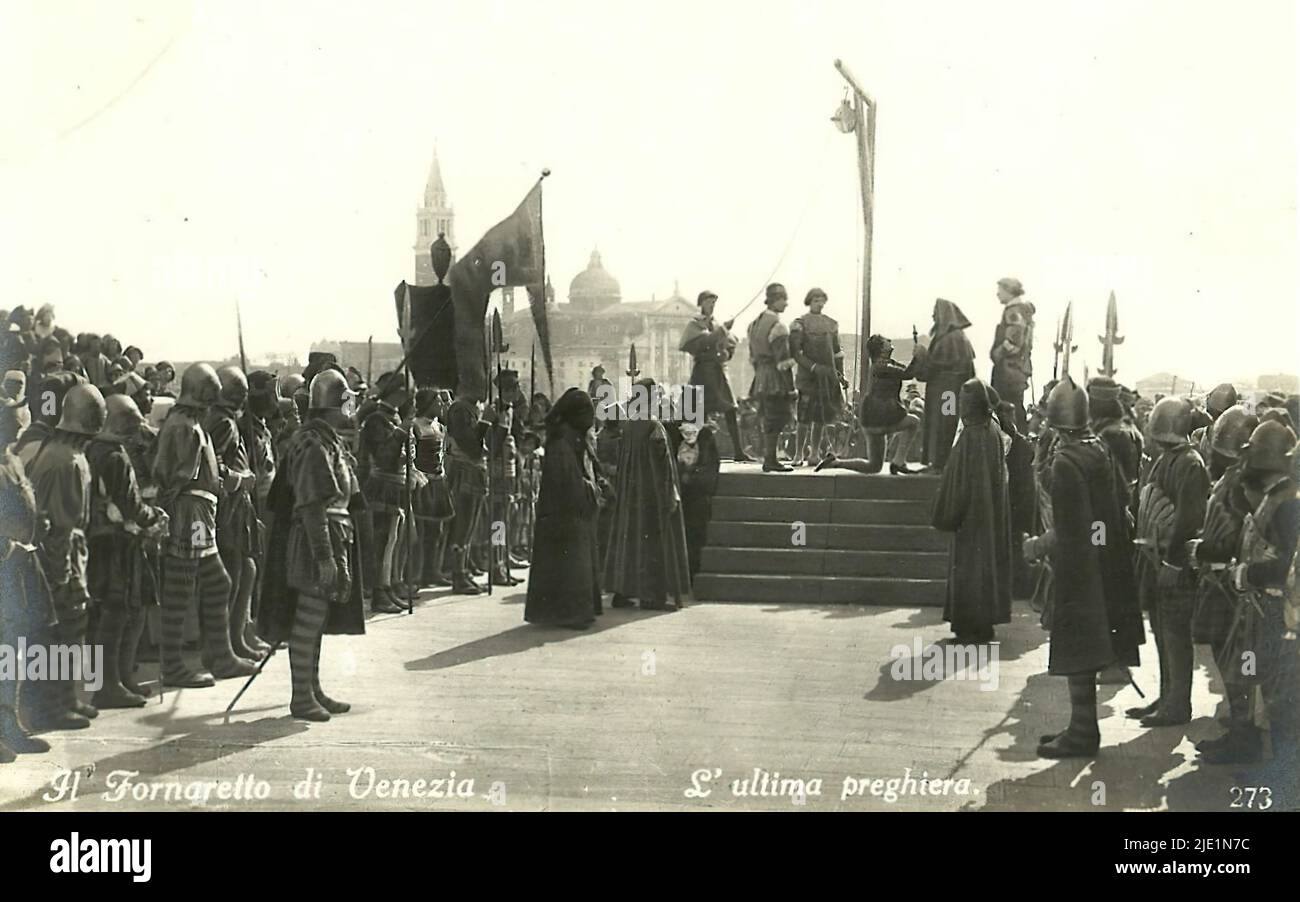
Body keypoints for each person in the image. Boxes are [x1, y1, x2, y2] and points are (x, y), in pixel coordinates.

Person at [1022, 376, 1144, 757]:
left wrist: (1036, 545)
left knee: (1078, 647)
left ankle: (1082, 732)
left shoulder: (1065, 462)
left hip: (1080, 569)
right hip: (1106, 559)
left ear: (1055, 423)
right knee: (1090, 645)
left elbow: (1069, 528)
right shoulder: (1100, 449)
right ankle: (1081, 727)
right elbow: (1115, 505)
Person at [258, 369, 366, 721]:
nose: (352, 406)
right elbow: (310, 504)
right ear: (332, 404)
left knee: (317, 620)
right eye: (347, 399)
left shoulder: (328, 439)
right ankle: (300, 697)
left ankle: (312, 688)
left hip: (333, 534)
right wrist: (324, 556)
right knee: (307, 620)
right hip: (313, 539)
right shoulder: (311, 443)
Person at [1196, 421, 1298, 767]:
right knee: (1256, 681)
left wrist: (1248, 573)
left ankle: (1283, 776)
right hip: (1258, 610)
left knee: (1276, 696)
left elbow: (1286, 565)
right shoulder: (1276, 496)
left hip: (1273, 613)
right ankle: (1245, 742)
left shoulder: (1286, 503)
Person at [153, 363, 258, 687]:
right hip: (191, 514)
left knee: (217, 583)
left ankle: (222, 656)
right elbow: (176, 477)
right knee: (184, 587)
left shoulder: (189, 421)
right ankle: (173, 665)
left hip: (201, 511)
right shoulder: (184, 425)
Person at [25, 384, 106, 730]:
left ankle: (67, 698)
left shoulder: (65, 454)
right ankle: (54, 707)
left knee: (73, 630)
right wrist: (63, 573)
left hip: (69, 550)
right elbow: (59, 525)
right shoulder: (65, 461)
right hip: (61, 555)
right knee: (61, 631)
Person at [1129, 396, 1210, 727]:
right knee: (1162, 634)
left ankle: (1178, 704)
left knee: (1175, 636)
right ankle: (1168, 696)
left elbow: (1188, 520)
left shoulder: (1190, 463)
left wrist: (1174, 565)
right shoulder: (1167, 459)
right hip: (1155, 558)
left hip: (1175, 564)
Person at [85, 395, 167, 708]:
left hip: (105, 540)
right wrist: (154, 517)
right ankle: (109, 686)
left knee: (124, 611)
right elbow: (129, 504)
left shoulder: (95, 449)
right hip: (116, 542)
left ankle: (121, 678)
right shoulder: (113, 455)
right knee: (117, 612)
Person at [1186, 407, 1259, 760]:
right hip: (1225, 582)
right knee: (1230, 657)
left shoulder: (1242, 484)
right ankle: (1241, 724)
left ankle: (1244, 735)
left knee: (1234, 659)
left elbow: (1235, 538)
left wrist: (1202, 548)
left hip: (1229, 586)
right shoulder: (1240, 477)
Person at [931, 379, 1013, 643]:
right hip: (989, 513)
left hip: (970, 516)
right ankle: (983, 624)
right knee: (984, 566)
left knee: (969, 567)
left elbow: (957, 480)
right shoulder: (992, 432)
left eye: (965, 402)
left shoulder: (971, 436)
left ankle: (968, 626)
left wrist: (947, 511)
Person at [603, 379, 692, 610]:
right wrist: (669, 493)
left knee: (629, 538)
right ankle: (652, 596)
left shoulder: (629, 425)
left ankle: (622, 591)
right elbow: (662, 465)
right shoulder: (654, 427)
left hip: (630, 493)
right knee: (653, 541)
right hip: (651, 493)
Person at [0, 392, 53, 755]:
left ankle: (9, 724)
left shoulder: (12, 459)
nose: (19, 429)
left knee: (14, 649)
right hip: (5, 561)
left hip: (16, 567)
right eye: (13, 422)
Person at [524, 388, 603, 629]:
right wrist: (592, 490)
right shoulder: (560, 443)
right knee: (570, 564)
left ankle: (574, 611)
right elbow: (569, 481)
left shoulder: (574, 438)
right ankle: (570, 614)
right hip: (564, 514)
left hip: (574, 512)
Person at [817, 335, 922, 475]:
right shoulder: (881, 366)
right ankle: (898, 462)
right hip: (879, 417)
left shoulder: (882, 364)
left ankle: (835, 463)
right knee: (913, 422)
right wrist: (917, 356)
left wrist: (916, 360)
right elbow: (908, 373)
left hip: (872, 418)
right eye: (886, 341)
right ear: (881, 349)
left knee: (874, 466)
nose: (890, 341)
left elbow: (906, 371)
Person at [357, 373, 412, 613]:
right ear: (397, 392)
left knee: (392, 541)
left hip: (396, 485)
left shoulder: (393, 416)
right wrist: (401, 433)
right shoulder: (376, 419)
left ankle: (388, 586)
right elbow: (385, 458)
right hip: (382, 486)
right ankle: (379, 592)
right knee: (381, 542)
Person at [679, 290, 752, 462]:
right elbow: (703, 343)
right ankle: (697, 453)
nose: (712, 306)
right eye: (709, 302)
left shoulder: (716, 324)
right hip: (703, 372)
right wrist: (723, 330)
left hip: (718, 371)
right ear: (701, 303)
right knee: (697, 414)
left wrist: (727, 350)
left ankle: (738, 451)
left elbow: (727, 343)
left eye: (714, 303)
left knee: (730, 409)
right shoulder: (695, 324)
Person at [915, 299, 977, 470]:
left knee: (944, 423)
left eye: (935, 311)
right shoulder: (955, 337)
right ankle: (938, 462)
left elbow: (936, 364)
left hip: (947, 392)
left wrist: (922, 355)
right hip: (946, 391)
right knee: (941, 423)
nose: (933, 315)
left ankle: (940, 463)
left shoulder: (951, 338)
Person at [788, 288, 847, 466]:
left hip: (827, 378)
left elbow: (837, 353)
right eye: (815, 300)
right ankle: (798, 454)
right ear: (809, 301)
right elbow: (796, 353)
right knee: (804, 416)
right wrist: (813, 367)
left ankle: (814, 454)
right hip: (808, 377)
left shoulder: (831, 324)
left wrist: (840, 374)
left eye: (822, 300)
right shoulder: (800, 323)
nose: (819, 303)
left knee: (820, 417)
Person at [746, 284, 798, 472]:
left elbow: (752, 355)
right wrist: (790, 388)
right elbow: (783, 362)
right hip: (775, 377)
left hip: (761, 375)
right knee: (780, 414)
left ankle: (769, 457)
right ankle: (770, 459)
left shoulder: (754, 324)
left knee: (768, 415)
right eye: (783, 299)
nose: (786, 303)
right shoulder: (778, 326)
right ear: (775, 300)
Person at [443, 386, 489, 595]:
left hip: (476, 473)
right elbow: (471, 445)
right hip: (464, 473)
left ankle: (465, 568)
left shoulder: (471, 408)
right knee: (462, 526)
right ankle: (458, 573)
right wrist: (485, 424)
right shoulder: (460, 410)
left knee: (471, 526)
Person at [667, 419, 721, 580]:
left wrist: (692, 475)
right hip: (679, 490)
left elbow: (711, 466)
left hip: (698, 493)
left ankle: (692, 572)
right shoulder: (672, 430)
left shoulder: (705, 435)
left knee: (695, 533)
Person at [412, 388, 454, 587]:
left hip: (438, 481)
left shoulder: (440, 426)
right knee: (421, 531)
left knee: (437, 530)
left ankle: (433, 570)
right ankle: (416, 574)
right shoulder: (415, 426)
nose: (440, 405)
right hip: (422, 483)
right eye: (436, 402)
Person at [989, 277, 1035, 432]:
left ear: (1009, 291)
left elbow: (1013, 341)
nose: (997, 294)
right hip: (1018, 369)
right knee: (1015, 409)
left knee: (1006, 411)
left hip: (1008, 369)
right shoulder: (1021, 310)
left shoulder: (1014, 311)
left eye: (1000, 290)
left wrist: (997, 354)